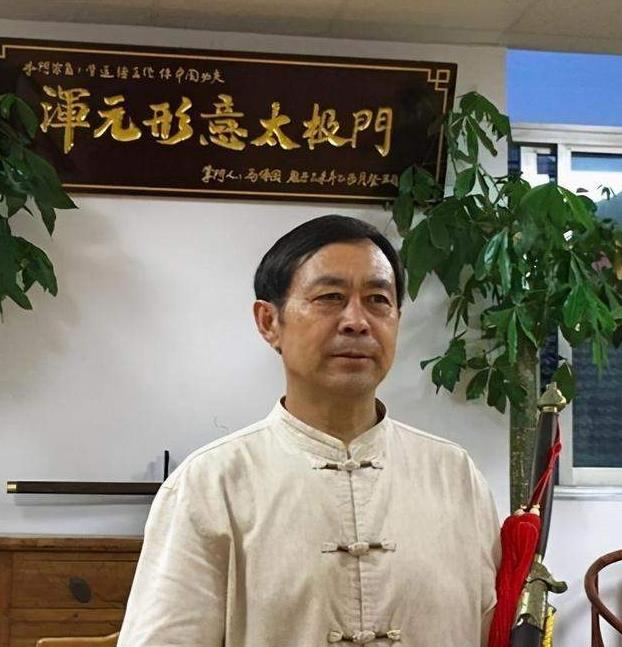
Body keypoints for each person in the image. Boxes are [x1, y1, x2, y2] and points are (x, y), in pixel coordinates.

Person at [117, 214, 500, 647]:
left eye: (377, 300)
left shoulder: (455, 476)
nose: (356, 321)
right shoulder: (212, 483)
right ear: (269, 321)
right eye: (330, 297)